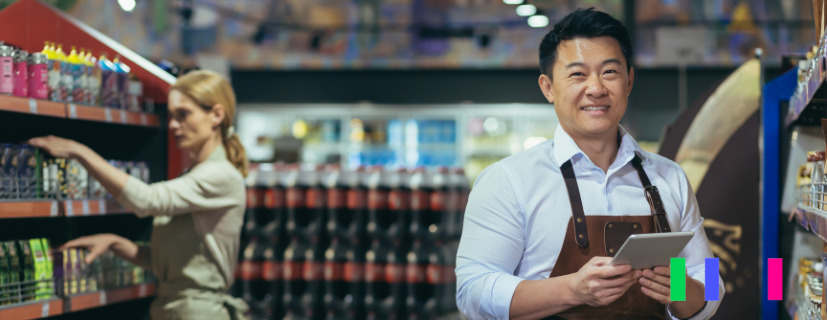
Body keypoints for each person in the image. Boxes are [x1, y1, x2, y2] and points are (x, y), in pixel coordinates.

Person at [455, 8, 724, 320]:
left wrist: (677, 287)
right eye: (577, 74)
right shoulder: (508, 180)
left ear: (629, 80)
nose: (596, 88)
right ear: (548, 88)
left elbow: (711, 278)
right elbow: (472, 291)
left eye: (610, 72)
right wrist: (572, 290)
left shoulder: (669, 177)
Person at [29, 70, 250, 320]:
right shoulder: (196, 175)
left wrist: (79, 152)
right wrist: (115, 243)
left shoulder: (220, 176)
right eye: (171, 116)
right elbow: (169, 264)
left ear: (216, 115)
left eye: (183, 114)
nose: (174, 125)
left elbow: (146, 200)